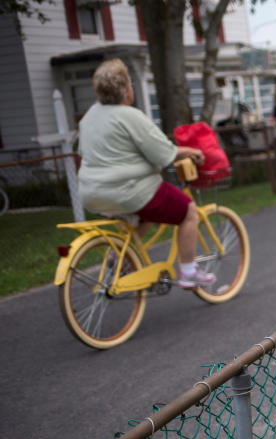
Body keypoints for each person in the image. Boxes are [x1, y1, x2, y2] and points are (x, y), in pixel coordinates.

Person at [77, 59, 215, 288]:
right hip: (128, 190)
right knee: (189, 211)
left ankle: (120, 255)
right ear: (126, 90)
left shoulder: (90, 116)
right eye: (130, 83)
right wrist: (192, 151)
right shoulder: (130, 116)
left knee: (147, 212)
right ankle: (190, 272)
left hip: (92, 193)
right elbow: (164, 154)